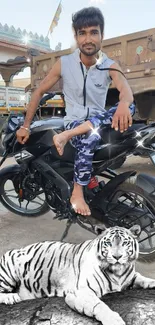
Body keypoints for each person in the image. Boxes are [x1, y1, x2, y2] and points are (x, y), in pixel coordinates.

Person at [16, 7, 133, 217]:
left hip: (98, 123)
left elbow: (126, 91)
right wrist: (26, 125)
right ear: (76, 36)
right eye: (82, 33)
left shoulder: (110, 65)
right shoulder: (64, 63)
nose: (88, 39)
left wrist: (124, 103)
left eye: (93, 32)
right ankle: (77, 190)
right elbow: (38, 92)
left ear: (102, 36)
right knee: (89, 135)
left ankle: (67, 140)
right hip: (75, 122)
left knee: (129, 105)